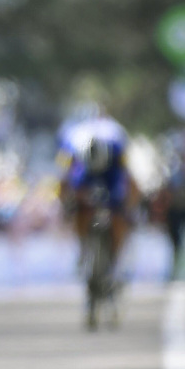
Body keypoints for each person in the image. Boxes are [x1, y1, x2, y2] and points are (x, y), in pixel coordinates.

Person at [59, 112, 138, 268]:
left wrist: (128, 206)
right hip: (85, 172)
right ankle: (83, 244)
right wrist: (67, 205)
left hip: (111, 172)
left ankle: (116, 257)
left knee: (119, 214)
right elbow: (65, 179)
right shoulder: (74, 144)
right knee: (79, 208)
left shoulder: (117, 145)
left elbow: (129, 179)